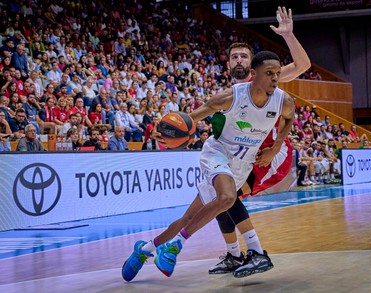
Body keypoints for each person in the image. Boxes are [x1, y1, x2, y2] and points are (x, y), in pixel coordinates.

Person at [122, 50, 295, 281]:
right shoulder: (230, 97)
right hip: (218, 152)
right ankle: (176, 246)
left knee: (189, 218)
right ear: (253, 74)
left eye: (278, 74)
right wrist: (165, 130)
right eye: (269, 73)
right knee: (226, 199)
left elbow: (289, 118)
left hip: (242, 164)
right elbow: (191, 117)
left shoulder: (283, 100)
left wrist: (276, 147)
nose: (275, 78)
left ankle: (144, 250)